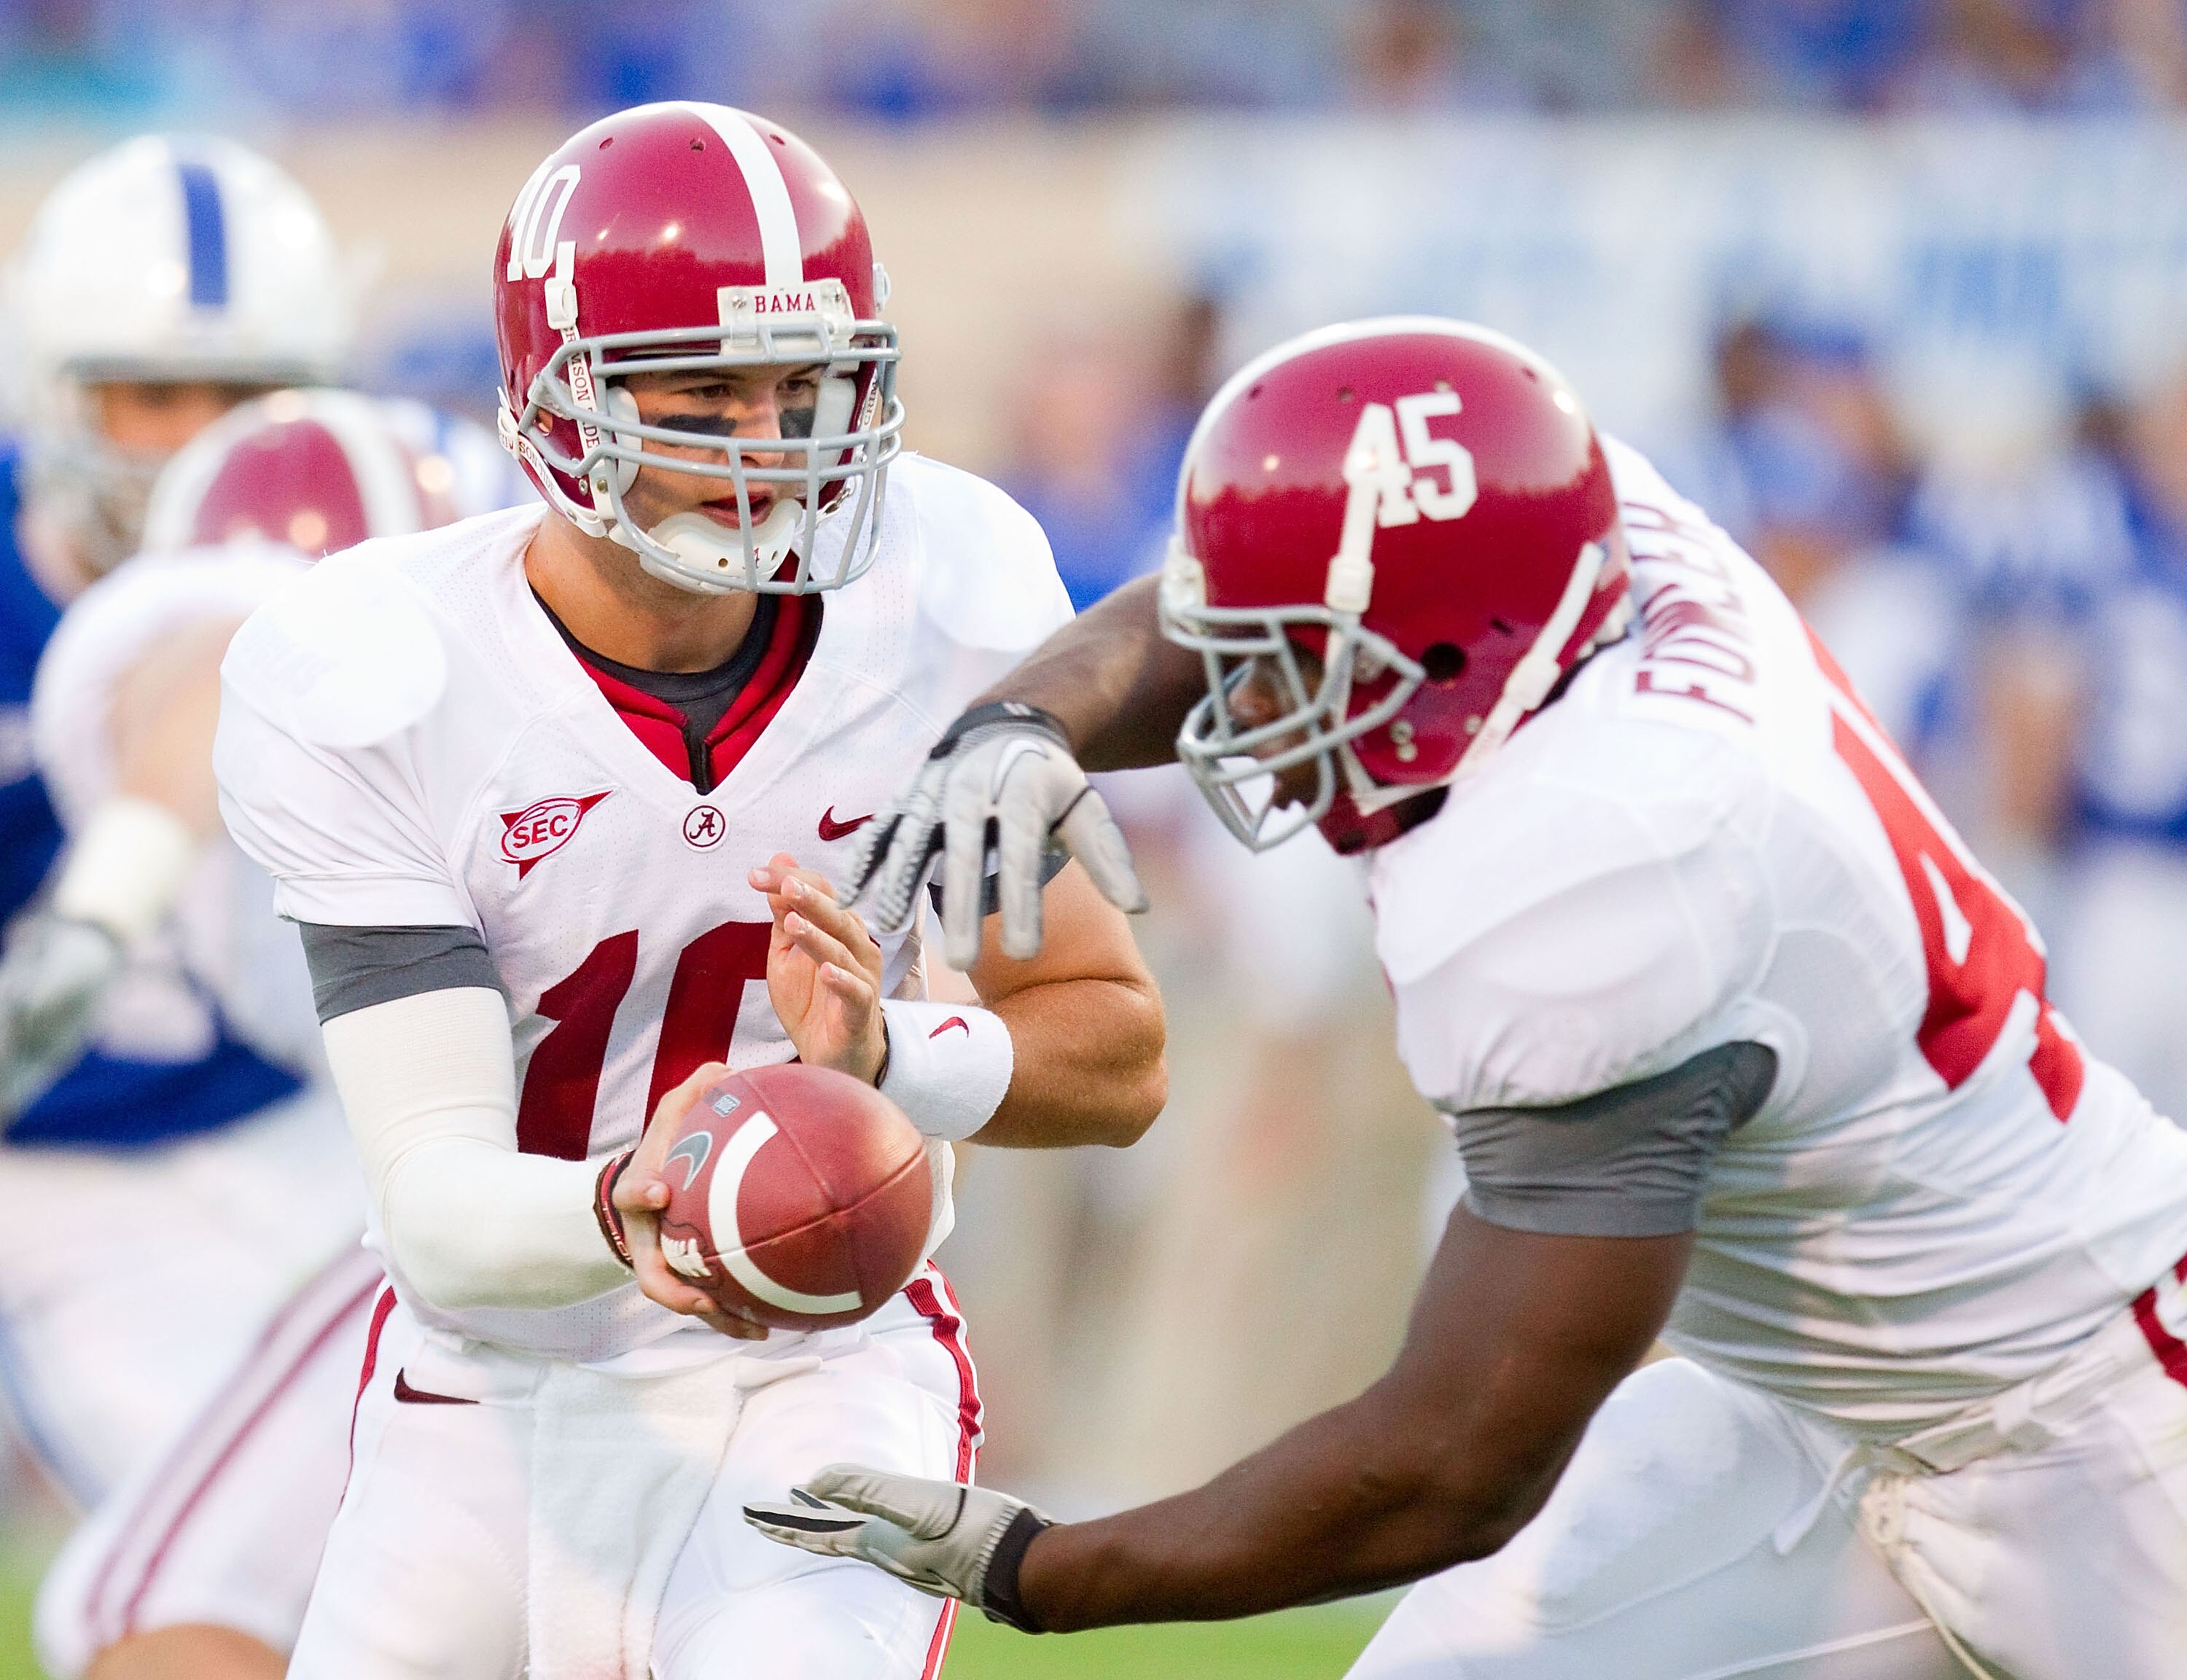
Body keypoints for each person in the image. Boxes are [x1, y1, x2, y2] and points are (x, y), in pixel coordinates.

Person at [756, 317, 2187, 1679]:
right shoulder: (1567, 541)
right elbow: (1248, 594)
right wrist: (1030, 714)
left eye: (1293, 676)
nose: (1243, 712)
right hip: (1809, 1381)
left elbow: (1452, 1464)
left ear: (1456, 664)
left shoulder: (1605, 866)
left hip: (2088, 1420)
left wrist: (1045, 1568)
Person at [212, 101, 1165, 1680]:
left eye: (803, 389)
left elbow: (1117, 1050)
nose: (768, 443)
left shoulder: (947, 589)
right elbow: (437, 1200)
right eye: (705, 392)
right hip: (489, 1375)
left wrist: (885, 1065)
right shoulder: (380, 674)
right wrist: (629, 1195)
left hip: (820, 1362)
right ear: (557, 401)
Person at [12, 388, 483, 1680]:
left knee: (155, 1597)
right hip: (396, 1160)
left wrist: (102, 908)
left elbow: (227, 650)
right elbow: (219, 656)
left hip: (448, 1174)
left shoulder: (378, 567)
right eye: (144, 390)